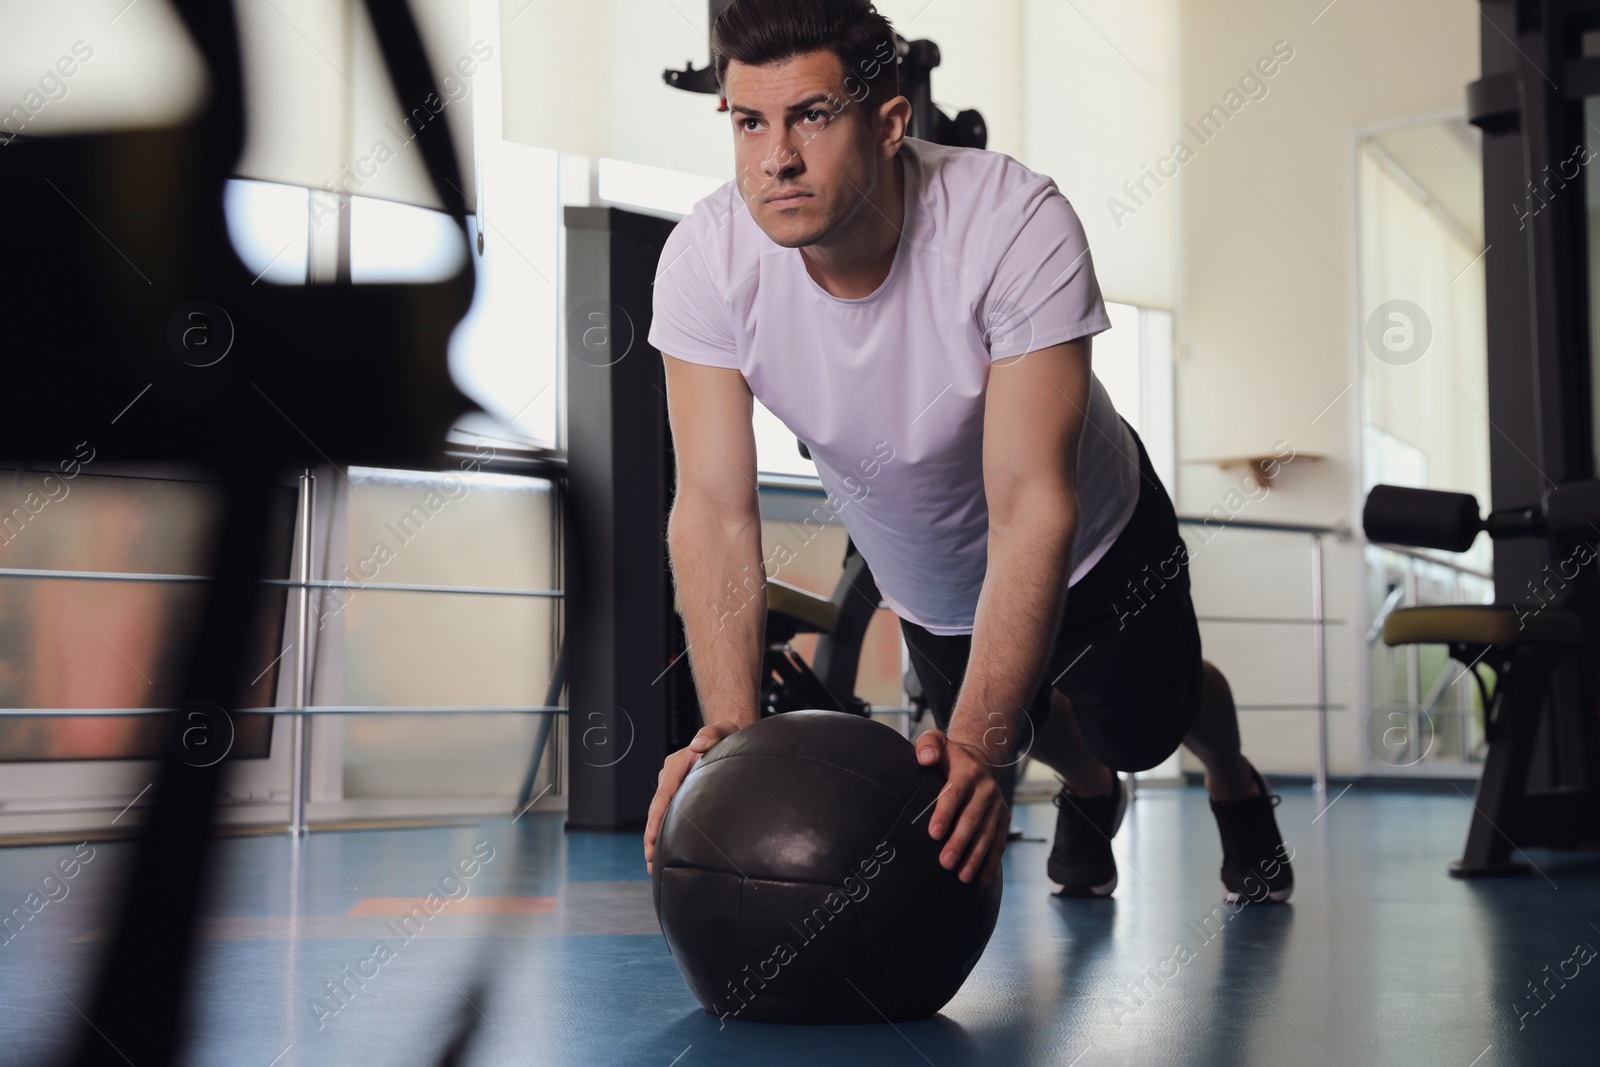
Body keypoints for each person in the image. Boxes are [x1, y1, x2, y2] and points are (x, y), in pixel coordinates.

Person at [641, 0, 1293, 903]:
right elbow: (713, 507)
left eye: (812, 116)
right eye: (750, 122)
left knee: (1146, 726)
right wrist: (735, 744)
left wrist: (983, 752)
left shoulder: (1013, 222)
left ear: (890, 121)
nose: (775, 158)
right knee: (1023, 725)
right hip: (934, 574)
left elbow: (1033, 501)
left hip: (1099, 536)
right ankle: (1091, 790)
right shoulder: (704, 261)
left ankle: (1232, 775)